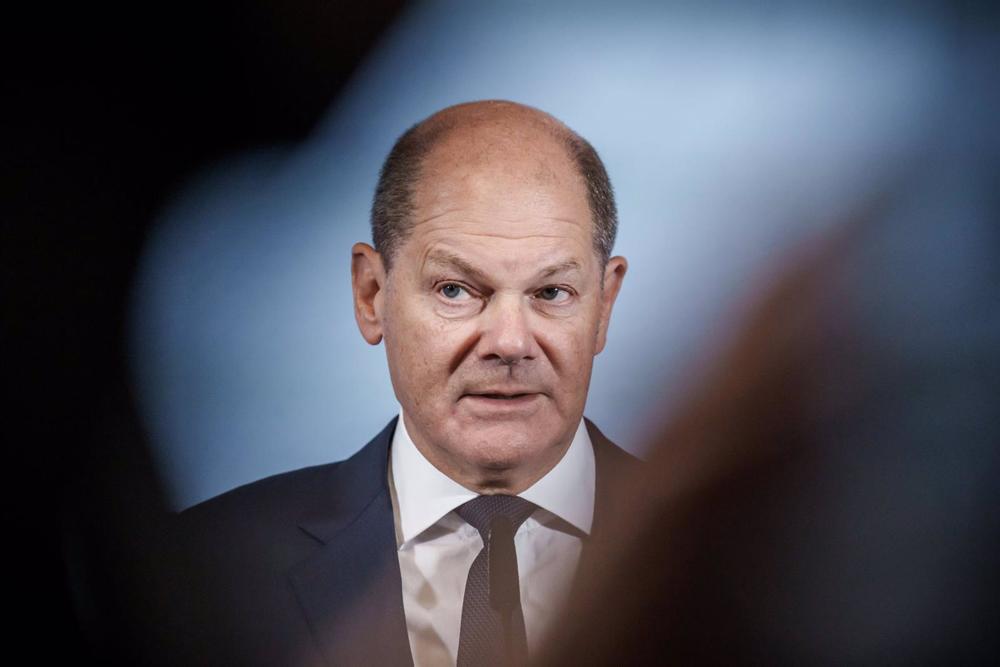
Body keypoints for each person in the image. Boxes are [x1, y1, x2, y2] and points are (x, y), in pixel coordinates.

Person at [168, 100, 636, 667]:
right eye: (456, 289)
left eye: (551, 293)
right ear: (371, 295)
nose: (510, 342)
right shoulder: (203, 571)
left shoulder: (745, 553)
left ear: (604, 305)